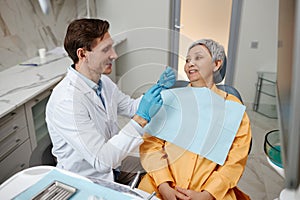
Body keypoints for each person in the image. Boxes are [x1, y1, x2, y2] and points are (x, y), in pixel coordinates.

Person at [45, 18, 175, 184]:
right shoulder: (67, 102)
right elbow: (102, 161)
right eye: (106, 49)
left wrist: (158, 88)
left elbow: (131, 107)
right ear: (82, 54)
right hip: (88, 180)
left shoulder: (102, 82)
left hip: (115, 166)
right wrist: (141, 119)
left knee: (164, 168)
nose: (114, 54)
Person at [138, 39, 252, 200]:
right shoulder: (171, 100)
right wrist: (164, 186)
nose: (190, 63)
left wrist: (208, 195)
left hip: (209, 193)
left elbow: (235, 160)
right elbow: (151, 146)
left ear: (216, 64)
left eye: (198, 57)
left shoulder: (233, 108)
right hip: (161, 186)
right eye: (187, 60)